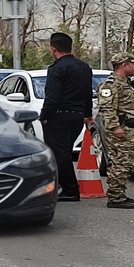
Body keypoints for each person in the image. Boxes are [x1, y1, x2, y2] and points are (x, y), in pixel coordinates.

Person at [39, 32, 93, 202]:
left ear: (53, 49)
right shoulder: (85, 67)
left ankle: (70, 190)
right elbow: (87, 94)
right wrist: (87, 114)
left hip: (59, 116)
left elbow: (53, 97)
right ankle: (66, 187)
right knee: (65, 153)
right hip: (77, 117)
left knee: (59, 155)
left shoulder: (56, 69)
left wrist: (44, 116)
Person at [97, 51, 134, 209]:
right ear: (124, 65)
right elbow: (106, 108)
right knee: (119, 163)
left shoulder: (125, 83)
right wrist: (115, 127)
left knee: (124, 163)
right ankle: (115, 198)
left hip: (129, 129)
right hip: (120, 130)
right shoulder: (110, 85)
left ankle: (120, 193)